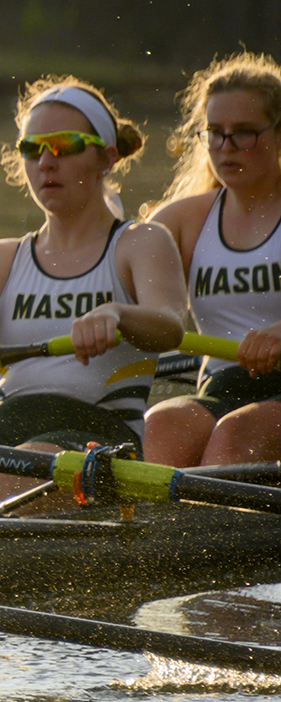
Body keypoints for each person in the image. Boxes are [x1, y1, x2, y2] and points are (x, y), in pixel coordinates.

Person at [0, 78, 185, 515]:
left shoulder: (140, 243)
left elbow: (169, 325)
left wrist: (117, 314)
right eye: (32, 148)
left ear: (107, 157)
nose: (46, 162)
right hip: (1, 424)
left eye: (65, 145)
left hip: (96, 436)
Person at [144, 54, 281, 467]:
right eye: (215, 134)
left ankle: (204, 529)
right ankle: (156, 529)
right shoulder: (182, 220)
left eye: (243, 133)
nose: (225, 148)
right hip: (223, 386)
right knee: (158, 425)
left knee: (235, 433)